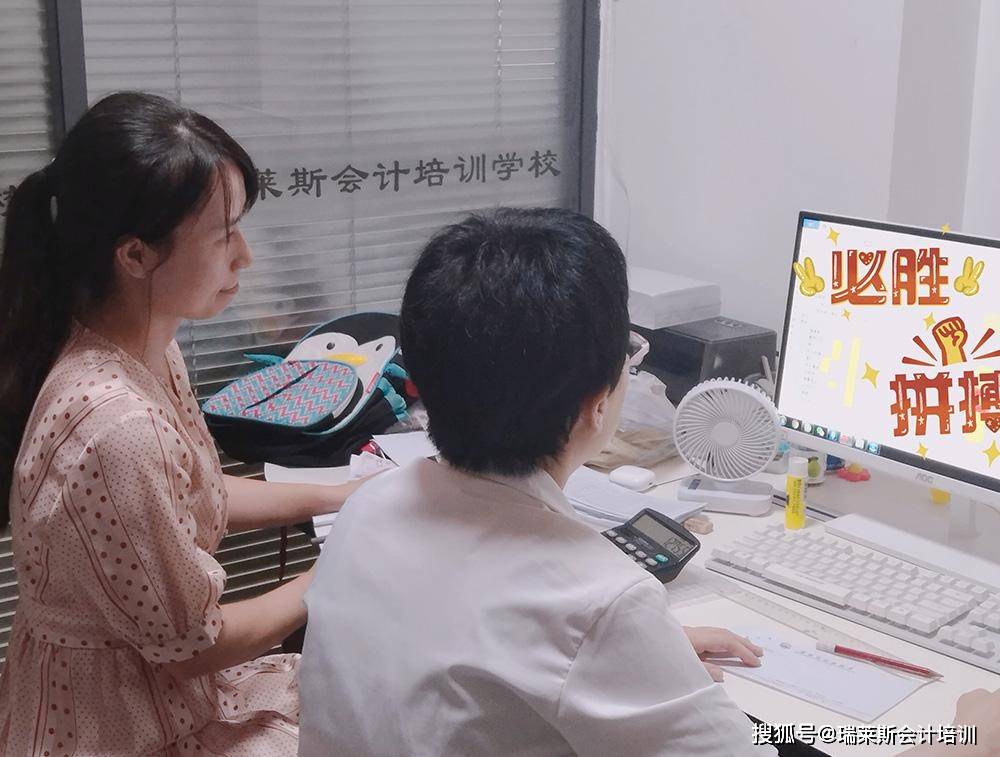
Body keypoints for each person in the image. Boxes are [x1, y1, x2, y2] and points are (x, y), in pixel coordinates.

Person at [298, 208, 1000, 757]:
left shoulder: (372, 506)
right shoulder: (594, 600)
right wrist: (969, 737)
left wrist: (637, 659)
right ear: (595, 404)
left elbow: (468, 655)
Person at [0, 92, 360, 755]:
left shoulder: (146, 347)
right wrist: (339, 569)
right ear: (135, 255)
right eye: (224, 234)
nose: (245, 256)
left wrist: (340, 495)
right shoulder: (115, 426)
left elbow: (198, 492)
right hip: (108, 723)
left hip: (152, 689)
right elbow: (195, 645)